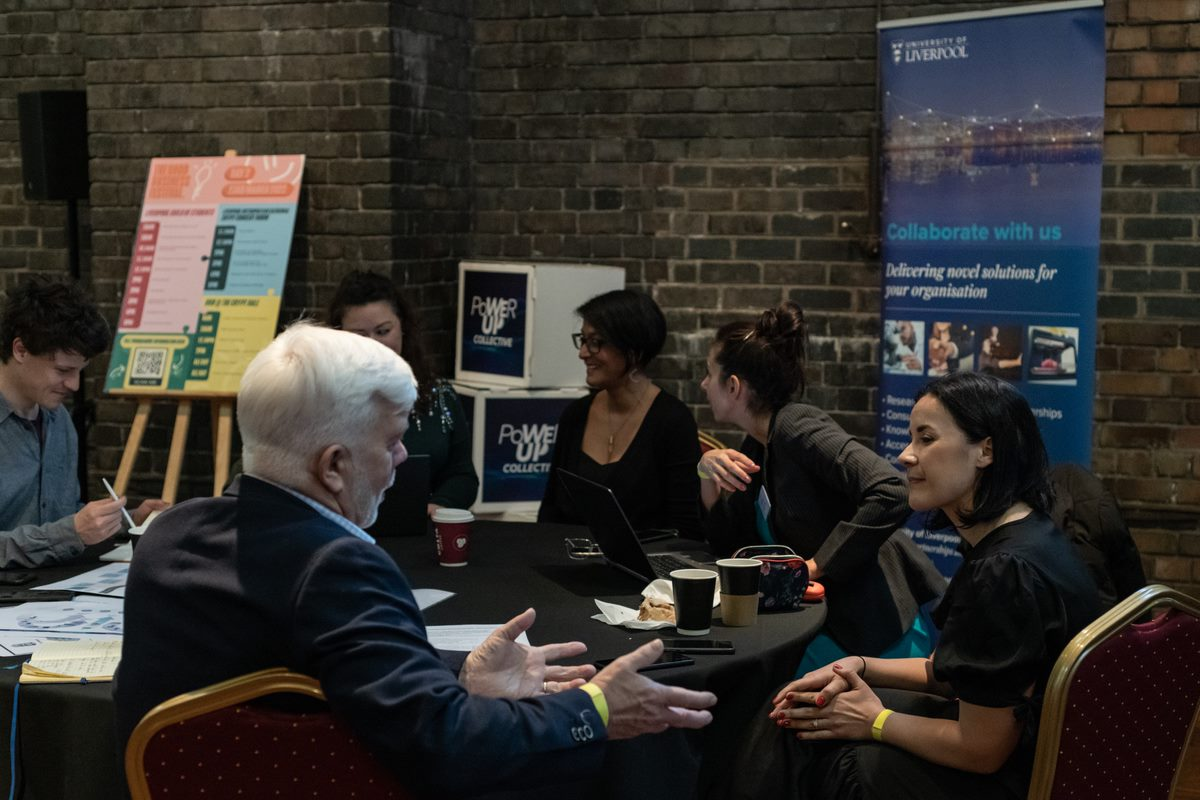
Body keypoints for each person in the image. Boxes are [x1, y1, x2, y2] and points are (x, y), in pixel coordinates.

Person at [114, 322, 716, 798]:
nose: (403, 457)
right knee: (629, 750)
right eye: (392, 439)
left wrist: (455, 672)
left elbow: (298, 670)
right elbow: (445, 745)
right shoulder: (337, 566)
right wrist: (593, 708)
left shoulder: (168, 537)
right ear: (333, 466)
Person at [748, 371, 1101, 800]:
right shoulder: (1028, 532)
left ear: (985, 450)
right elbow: (955, 673)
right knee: (803, 715)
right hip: (1022, 750)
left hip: (1013, 775)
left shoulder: (1004, 571)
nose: (905, 456)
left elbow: (982, 750)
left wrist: (874, 721)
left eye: (926, 439)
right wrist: (860, 665)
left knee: (832, 756)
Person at [697, 302, 944, 674]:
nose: (702, 384)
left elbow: (892, 489)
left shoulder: (796, 425)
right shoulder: (756, 445)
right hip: (822, 628)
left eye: (708, 373)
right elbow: (728, 545)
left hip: (873, 636)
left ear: (733, 386)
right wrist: (706, 475)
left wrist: (815, 566)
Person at [0, 277, 166, 568]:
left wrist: (126, 522)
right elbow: (60, 532)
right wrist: (70, 533)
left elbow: (54, 516)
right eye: (63, 370)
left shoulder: (58, 419)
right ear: (20, 350)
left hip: (50, 592)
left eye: (80, 371)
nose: (74, 385)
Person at [539, 289, 702, 539]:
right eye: (582, 340)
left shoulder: (672, 421)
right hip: (570, 564)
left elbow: (685, 529)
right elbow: (550, 513)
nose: (583, 353)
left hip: (645, 572)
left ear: (633, 349)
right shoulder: (576, 414)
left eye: (595, 342)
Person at [328, 269, 478, 515]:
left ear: (402, 328)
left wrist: (436, 507)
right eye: (360, 335)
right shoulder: (319, 397)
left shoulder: (439, 395)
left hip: (423, 530)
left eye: (383, 331)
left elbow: (462, 476)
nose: (374, 344)